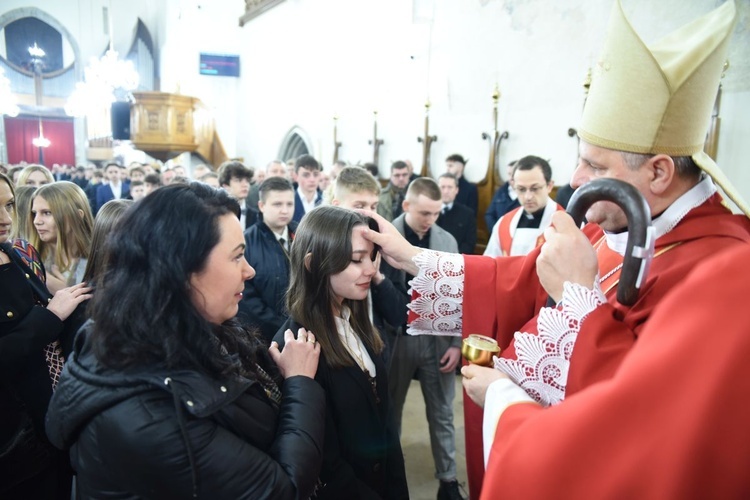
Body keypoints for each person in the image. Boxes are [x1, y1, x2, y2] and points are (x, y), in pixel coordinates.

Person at [361, 1, 750, 497]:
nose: (577, 180)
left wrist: (506, 395)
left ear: (657, 171)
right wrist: (411, 256)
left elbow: (642, 423)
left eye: (595, 165)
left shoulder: (720, 275)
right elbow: (519, 280)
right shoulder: (617, 222)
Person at [45, 182, 326, 499]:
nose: (249, 271)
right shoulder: (149, 419)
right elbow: (283, 489)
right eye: (236, 257)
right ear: (182, 272)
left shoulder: (192, 328)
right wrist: (300, 382)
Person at [462, 243, 750, 498]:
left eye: (600, 176)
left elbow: (624, 444)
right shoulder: (600, 232)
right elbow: (519, 281)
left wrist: (500, 396)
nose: (577, 180)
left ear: (659, 177)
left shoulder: (726, 275)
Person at [274, 205, 409, 500]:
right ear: (313, 264)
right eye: (356, 260)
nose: (371, 270)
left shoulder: (354, 320)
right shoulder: (298, 346)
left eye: (371, 257)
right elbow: (324, 462)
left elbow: (385, 426)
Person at [0, 173, 92, 500]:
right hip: (16, 434)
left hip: (54, 411)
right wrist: (51, 316)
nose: (7, 219)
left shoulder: (20, 255)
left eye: (9, 205)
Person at [386, 178, 465, 500]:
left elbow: (460, 294)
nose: (430, 219)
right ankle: (389, 475)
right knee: (390, 410)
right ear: (406, 206)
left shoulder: (446, 241)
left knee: (442, 412)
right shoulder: (385, 236)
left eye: (435, 213)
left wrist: (457, 345)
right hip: (395, 341)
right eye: (423, 213)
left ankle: (448, 481)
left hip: (437, 340)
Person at [330, 166, 409, 363]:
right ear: (337, 205)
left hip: (377, 348)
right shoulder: (324, 248)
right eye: (360, 205)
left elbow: (399, 315)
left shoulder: (386, 246)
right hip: (336, 352)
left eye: (374, 206)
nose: (369, 214)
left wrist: (379, 279)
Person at [238, 177, 297, 344]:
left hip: (304, 328)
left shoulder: (303, 235)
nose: (285, 210)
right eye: (277, 204)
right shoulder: (246, 242)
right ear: (262, 206)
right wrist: (282, 327)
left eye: (289, 204)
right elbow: (247, 296)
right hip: (265, 335)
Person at [484, 156, 563, 257]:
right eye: (521, 189)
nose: (528, 197)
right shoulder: (504, 223)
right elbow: (491, 263)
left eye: (535, 188)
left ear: (549, 186)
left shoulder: (568, 224)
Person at [29, 182, 94, 295]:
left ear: (77, 216)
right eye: (34, 213)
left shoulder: (100, 262)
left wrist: (69, 295)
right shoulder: (30, 260)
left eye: (47, 213)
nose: (36, 221)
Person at [437, 173, 477, 255]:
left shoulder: (467, 214)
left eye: (450, 187)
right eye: (442, 187)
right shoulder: (428, 210)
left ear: (456, 190)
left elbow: (469, 243)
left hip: (456, 259)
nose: (446, 191)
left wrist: (452, 257)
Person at [484, 161, 520, 232]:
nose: (511, 178)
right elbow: (489, 214)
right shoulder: (501, 191)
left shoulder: (527, 195)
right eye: (509, 174)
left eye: (514, 174)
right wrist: (496, 231)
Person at [218, 160, 254, 228]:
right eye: (238, 180)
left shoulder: (256, 215)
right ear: (225, 186)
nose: (245, 184)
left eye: (247, 180)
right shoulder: (216, 214)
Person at [291, 154, 323, 223]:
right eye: (306, 175)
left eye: (315, 174)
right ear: (296, 176)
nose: (312, 179)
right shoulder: (290, 202)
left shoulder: (325, 201)